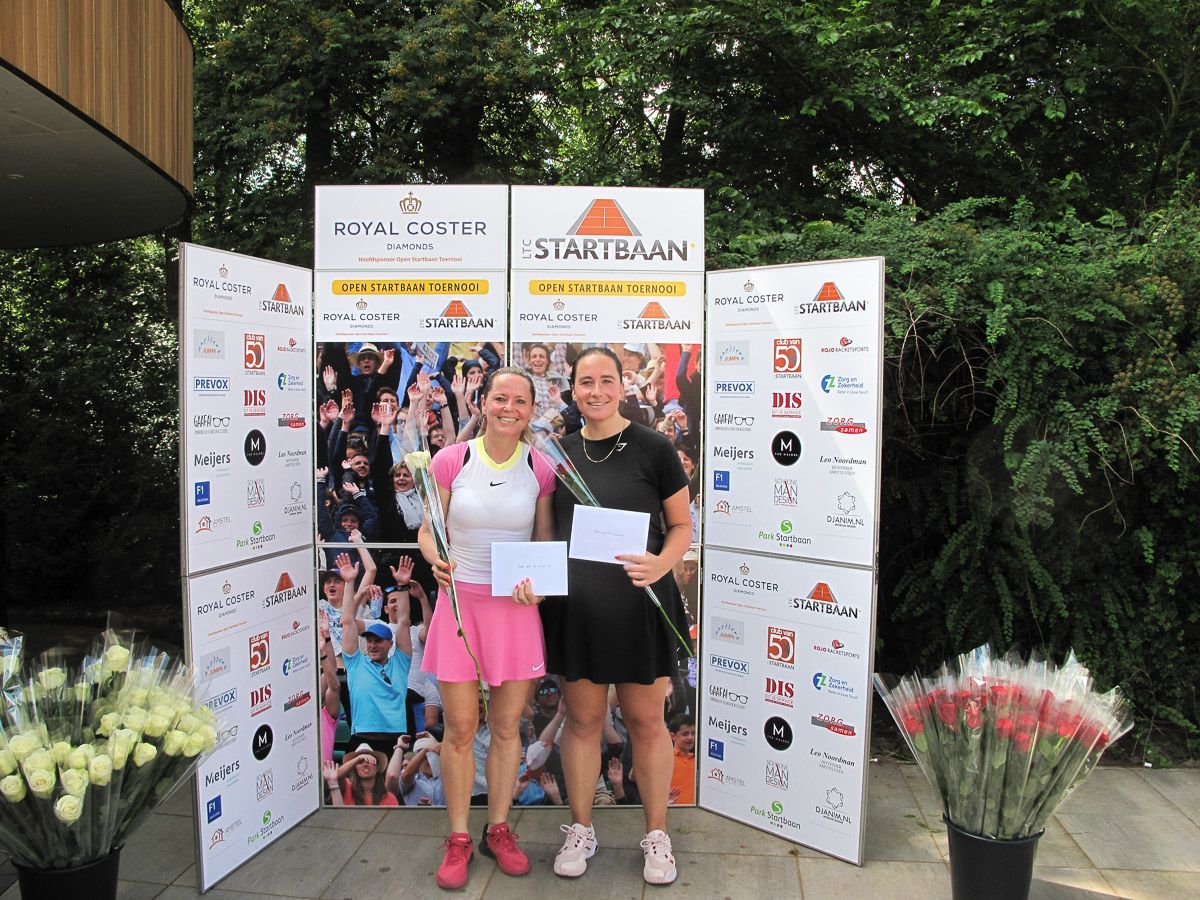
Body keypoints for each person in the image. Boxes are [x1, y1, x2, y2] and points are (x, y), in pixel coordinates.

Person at [539, 346, 692, 886]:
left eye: (607, 380)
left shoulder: (655, 447)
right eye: (587, 382)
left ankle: (657, 835)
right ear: (573, 389)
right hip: (578, 610)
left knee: (647, 723)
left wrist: (661, 563)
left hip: (640, 605)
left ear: (623, 386)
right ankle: (582, 828)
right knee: (582, 723)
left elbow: (681, 527)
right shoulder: (557, 455)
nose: (597, 391)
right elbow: (546, 536)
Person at [418, 366, 557, 891]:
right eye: (501, 398)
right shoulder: (451, 460)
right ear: (483, 402)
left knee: (505, 727)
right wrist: (434, 559)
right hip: (460, 605)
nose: (509, 408)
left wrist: (539, 586)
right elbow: (428, 530)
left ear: (530, 410)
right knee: (458, 729)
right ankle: (458, 837)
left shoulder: (540, 468)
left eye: (520, 401)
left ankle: (498, 830)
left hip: (513, 611)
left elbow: (544, 544)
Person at [337, 554, 414, 752]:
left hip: (395, 740)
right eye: (369, 640)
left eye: (377, 641)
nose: (372, 645)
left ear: (390, 643)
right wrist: (349, 583)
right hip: (362, 739)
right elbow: (347, 621)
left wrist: (402, 586)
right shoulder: (356, 663)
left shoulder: (400, 663)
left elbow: (403, 622)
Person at [324, 741, 405, 806]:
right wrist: (358, 758)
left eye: (370, 761)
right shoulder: (346, 786)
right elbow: (335, 776)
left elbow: (392, 775)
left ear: (377, 768)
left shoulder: (388, 797)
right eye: (360, 762)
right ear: (354, 768)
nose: (365, 764)